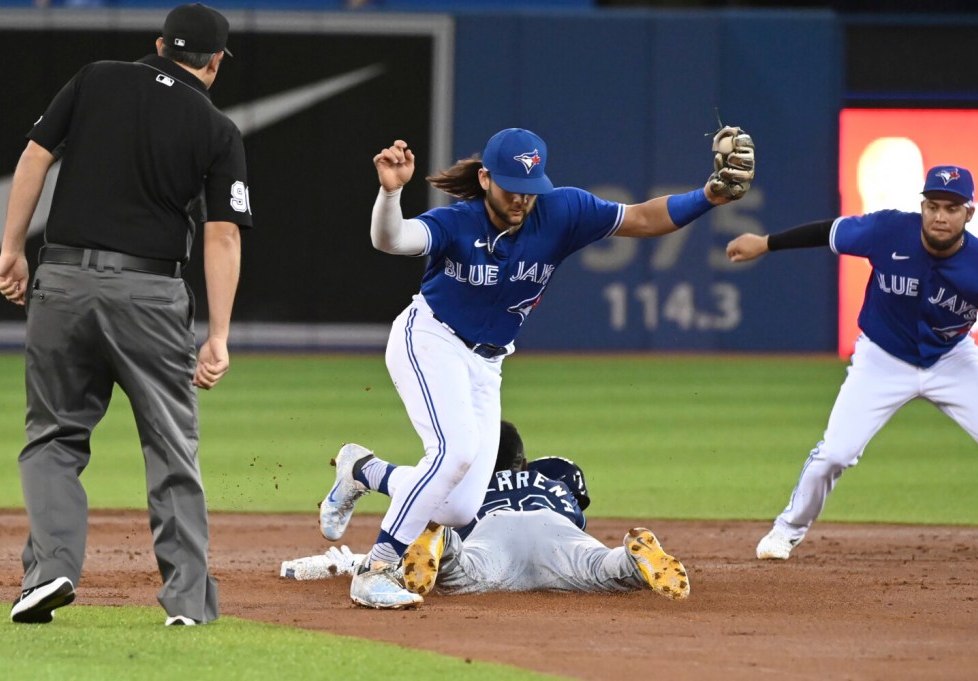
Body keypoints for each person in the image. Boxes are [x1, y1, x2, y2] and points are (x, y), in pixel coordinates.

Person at [320, 126, 754, 608]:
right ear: (485, 179)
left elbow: (643, 218)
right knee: (455, 451)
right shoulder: (458, 223)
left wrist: (709, 196)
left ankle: (362, 468)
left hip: (488, 361)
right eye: (511, 188)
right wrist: (390, 192)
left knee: (460, 505)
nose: (521, 200)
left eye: (530, 190)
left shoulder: (562, 211)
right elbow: (392, 239)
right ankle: (377, 567)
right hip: (431, 337)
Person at [0, 3, 251, 625]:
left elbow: (34, 156)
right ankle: (186, 601)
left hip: (62, 280)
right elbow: (222, 234)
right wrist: (217, 334)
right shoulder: (217, 128)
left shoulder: (95, 78)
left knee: (54, 436)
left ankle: (50, 571)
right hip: (149, 293)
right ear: (214, 62)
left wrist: (10, 250)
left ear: (160, 44)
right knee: (169, 444)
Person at [725, 165, 978, 560]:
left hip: (952, 361)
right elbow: (829, 233)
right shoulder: (888, 231)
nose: (940, 216)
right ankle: (786, 530)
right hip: (882, 358)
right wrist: (766, 242)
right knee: (835, 453)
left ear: (970, 214)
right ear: (922, 206)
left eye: (951, 208)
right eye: (933, 205)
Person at [400, 420, 690, 600]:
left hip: (493, 534)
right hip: (553, 525)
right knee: (600, 567)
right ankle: (629, 558)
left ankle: (443, 542)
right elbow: (577, 524)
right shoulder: (551, 481)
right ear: (524, 464)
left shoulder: (466, 488)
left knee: (461, 576)